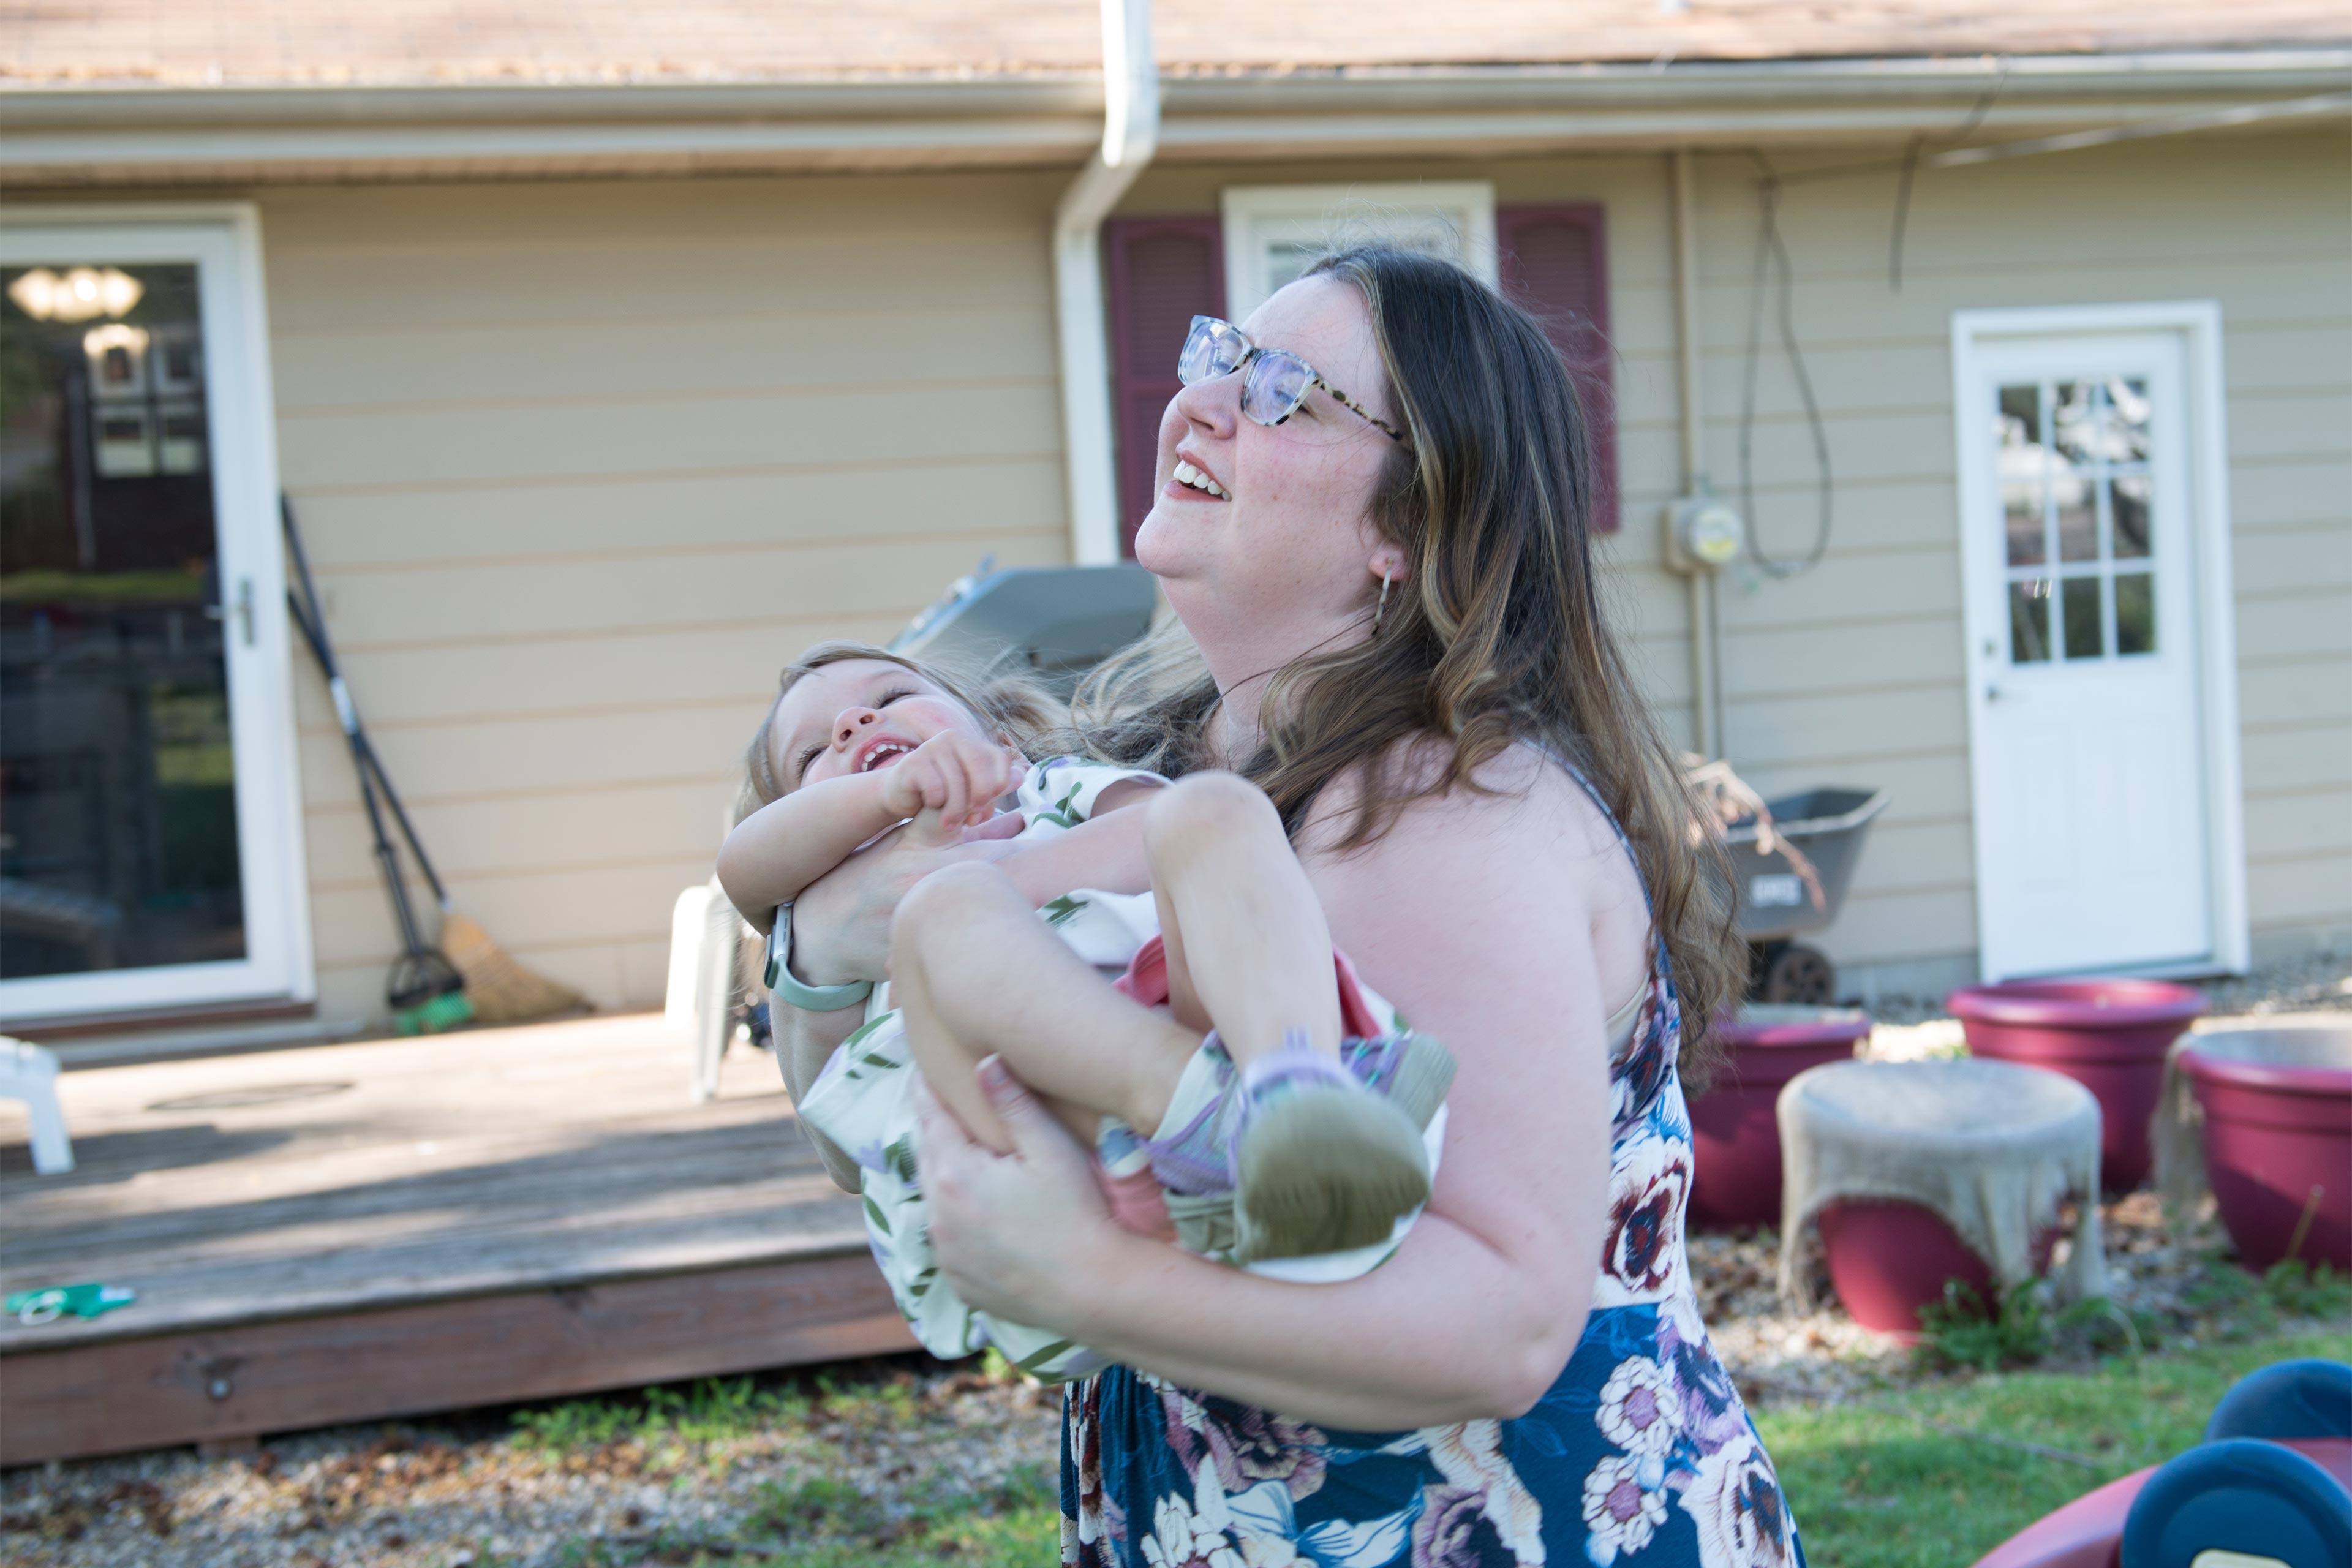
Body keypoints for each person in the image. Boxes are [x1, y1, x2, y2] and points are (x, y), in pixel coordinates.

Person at [774, 247, 1801, 1567]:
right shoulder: (1175, 776)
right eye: (1217, 358)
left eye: (1287, 394)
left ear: (1410, 530)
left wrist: (1084, 1280)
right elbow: (884, 1113)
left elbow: (1503, 1319)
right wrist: (817, 951)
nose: (1202, 403)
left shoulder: (1434, 811)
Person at [719, 643, 1453, 1378]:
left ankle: (1295, 1081)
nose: (855, 721)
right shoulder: (839, 921)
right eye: (814, 750)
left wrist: (1005, 867)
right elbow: (743, 867)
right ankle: (1213, 1115)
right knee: (947, 912)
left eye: (892, 695)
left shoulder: (1045, 791)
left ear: (998, 739)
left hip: (1196, 1045)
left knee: (1214, 806)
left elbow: (1157, 834)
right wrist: (886, 806)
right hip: (1030, 1166)